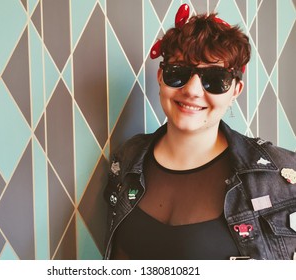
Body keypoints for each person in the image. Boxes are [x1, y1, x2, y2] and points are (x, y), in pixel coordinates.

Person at [103, 4, 296, 260]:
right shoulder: (127, 158)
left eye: (215, 80)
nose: (193, 90)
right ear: (161, 77)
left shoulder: (281, 176)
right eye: (178, 73)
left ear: (235, 90)